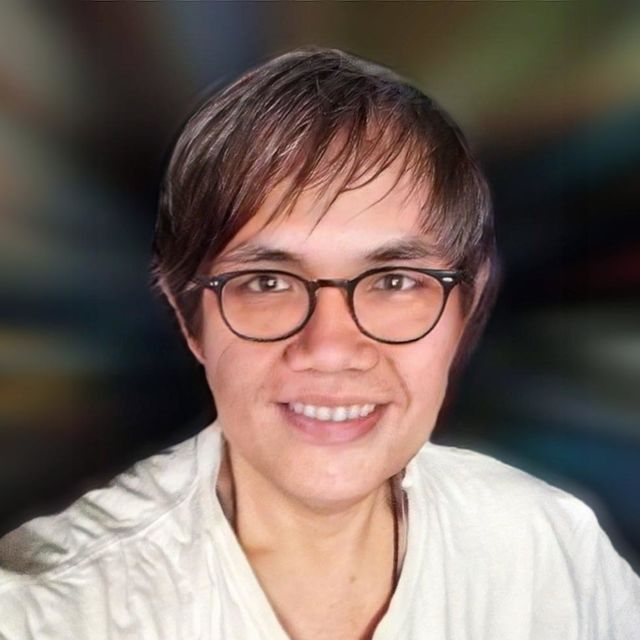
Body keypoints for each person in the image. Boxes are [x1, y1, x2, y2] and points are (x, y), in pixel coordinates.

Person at [0, 47, 638, 640]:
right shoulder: (50, 613)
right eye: (267, 282)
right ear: (190, 321)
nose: (330, 347)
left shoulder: (550, 553)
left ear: (465, 311)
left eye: (394, 281)